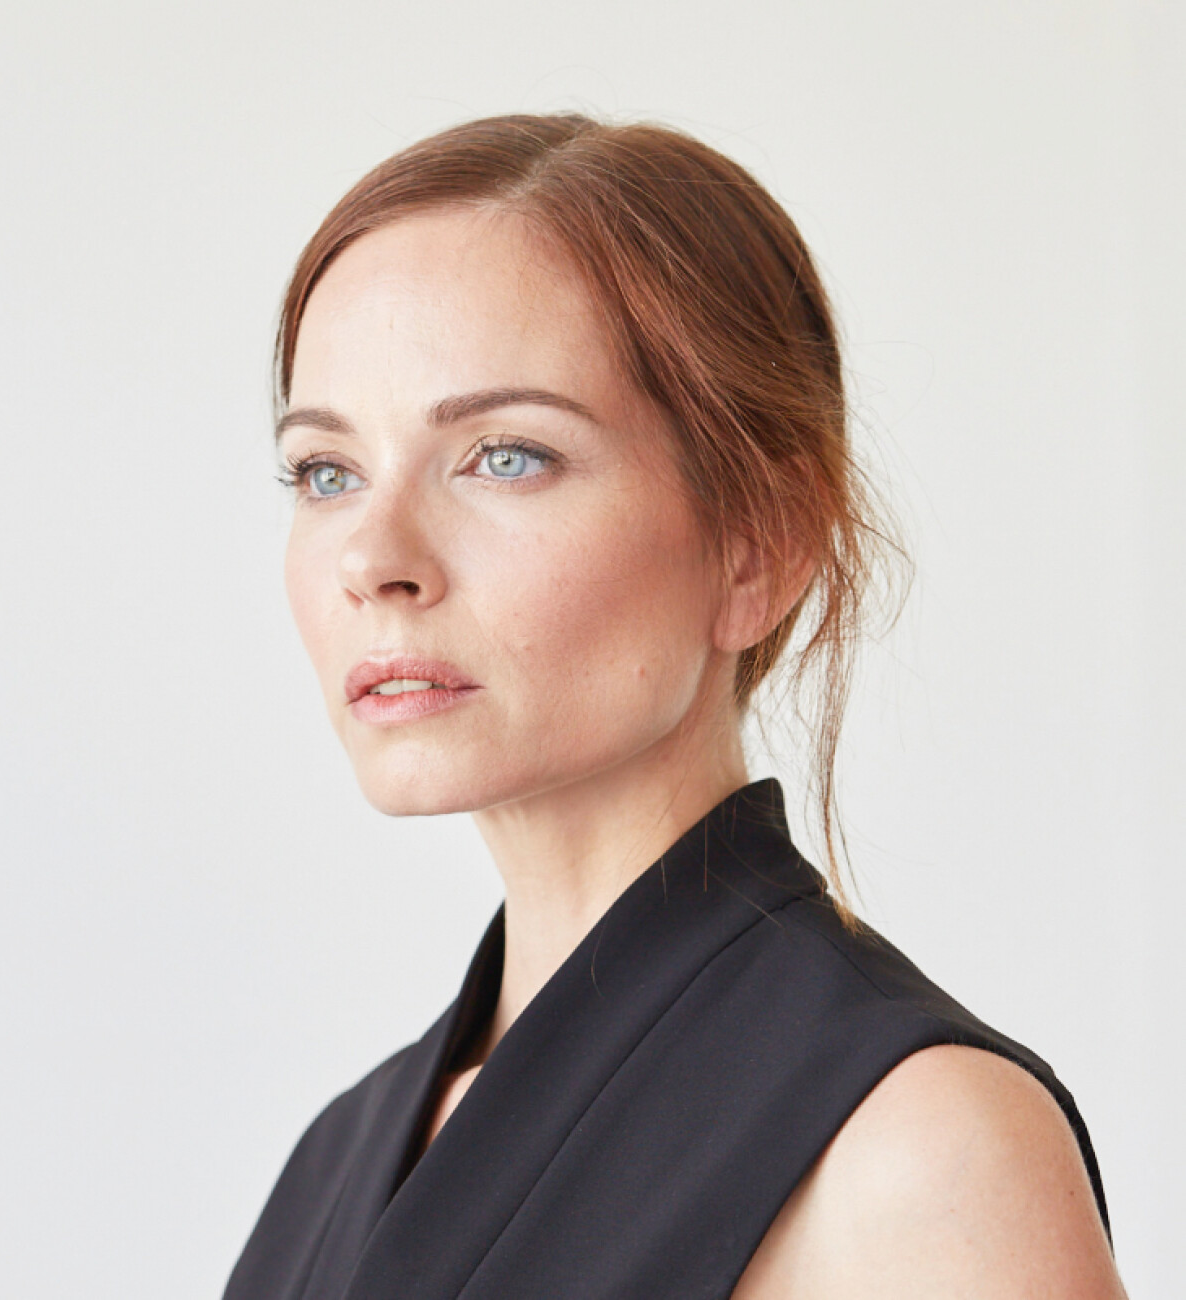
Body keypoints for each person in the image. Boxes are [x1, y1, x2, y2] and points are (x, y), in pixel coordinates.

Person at [223, 113, 1125, 1298]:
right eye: (326, 471)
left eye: (506, 454)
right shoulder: (338, 1159)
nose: (373, 558)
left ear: (761, 543)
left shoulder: (917, 1151)